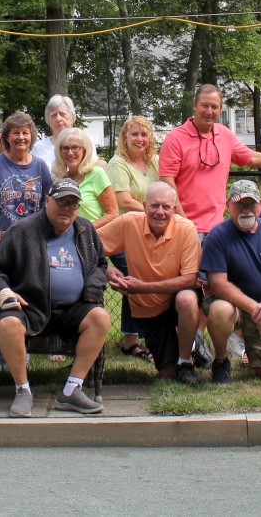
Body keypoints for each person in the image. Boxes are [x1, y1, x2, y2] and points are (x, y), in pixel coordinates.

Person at [0, 179, 111, 417]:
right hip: (30, 305)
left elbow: (101, 265)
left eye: (73, 203)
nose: (67, 208)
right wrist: (4, 292)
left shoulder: (86, 230)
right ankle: (23, 391)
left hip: (72, 308)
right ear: (47, 202)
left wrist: (92, 288)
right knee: (8, 323)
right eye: (61, 201)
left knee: (100, 317)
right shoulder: (22, 230)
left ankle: (72, 390)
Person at [159, 84, 261, 235]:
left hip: (217, 227)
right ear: (195, 105)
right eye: (204, 106)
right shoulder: (175, 139)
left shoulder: (224, 135)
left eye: (214, 107)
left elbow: (251, 157)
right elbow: (167, 182)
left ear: (220, 110)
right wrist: (183, 222)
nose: (209, 111)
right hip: (183, 226)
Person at [97, 183, 203, 385]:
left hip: (175, 299)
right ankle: (188, 346)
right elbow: (89, 246)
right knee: (168, 375)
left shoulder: (186, 229)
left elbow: (190, 279)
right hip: (148, 309)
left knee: (187, 298)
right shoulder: (129, 222)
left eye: (166, 207)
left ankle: (185, 361)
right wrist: (106, 269)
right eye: (154, 206)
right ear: (144, 206)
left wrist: (141, 287)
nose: (160, 212)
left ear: (174, 209)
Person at [198, 180, 261, 384]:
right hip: (234, 308)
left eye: (251, 204)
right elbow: (217, 284)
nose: (246, 210)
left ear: (260, 204)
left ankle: (251, 351)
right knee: (220, 310)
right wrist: (254, 307)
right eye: (239, 204)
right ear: (228, 205)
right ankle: (221, 360)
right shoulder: (217, 236)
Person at [105, 115, 160, 360]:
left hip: (152, 233)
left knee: (142, 276)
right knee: (136, 275)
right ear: (124, 137)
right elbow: (123, 200)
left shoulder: (155, 162)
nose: (140, 139)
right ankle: (134, 338)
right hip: (124, 234)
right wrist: (154, 211)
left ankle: (138, 338)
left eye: (144, 134)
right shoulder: (118, 163)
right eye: (135, 134)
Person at [0, 111, 54, 245]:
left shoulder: (40, 166)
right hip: (0, 241)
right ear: (7, 137)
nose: (21, 137)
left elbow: (50, 204)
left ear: (31, 137)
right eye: (16, 133)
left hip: (33, 240)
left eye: (25, 133)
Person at [52, 127, 119, 229]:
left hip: (93, 238)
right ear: (59, 152)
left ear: (84, 150)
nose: (70, 153)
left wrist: (86, 230)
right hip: (66, 240)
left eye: (75, 147)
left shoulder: (97, 174)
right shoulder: (60, 179)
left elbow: (113, 213)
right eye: (65, 148)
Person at [31, 95, 75, 170]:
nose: (58, 119)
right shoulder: (38, 148)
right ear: (49, 122)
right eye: (53, 115)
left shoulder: (86, 143)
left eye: (62, 114)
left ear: (72, 117)